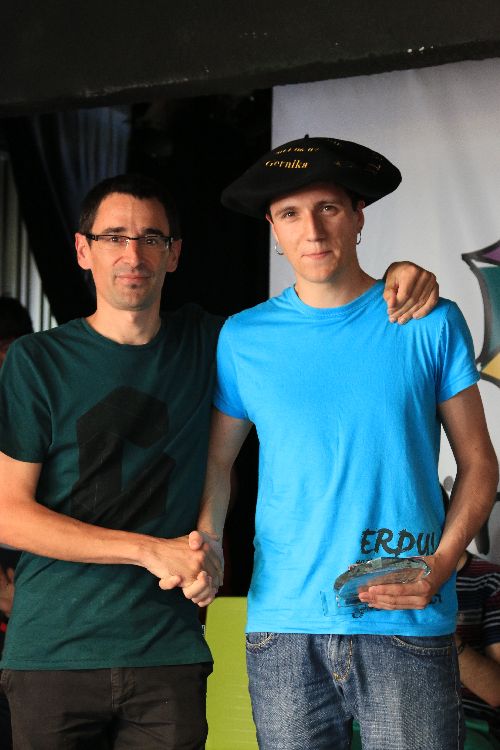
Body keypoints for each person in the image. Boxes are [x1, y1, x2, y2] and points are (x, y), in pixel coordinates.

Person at [0, 171, 439, 750]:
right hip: (52, 652)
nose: (133, 255)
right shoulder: (37, 360)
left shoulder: (219, 341)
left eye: (151, 238)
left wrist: (400, 275)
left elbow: (312, 318)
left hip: (167, 649)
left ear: (174, 253)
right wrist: (146, 549)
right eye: (113, 237)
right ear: (83, 250)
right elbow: (8, 514)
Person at [189, 136, 499, 750]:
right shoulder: (243, 337)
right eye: (290, 213)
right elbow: (219, 461)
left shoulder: (427, 320)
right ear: (274, 230)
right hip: (283, 624)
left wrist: (440, 566)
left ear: (358, 216)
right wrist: (211, 542)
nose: (311, 230)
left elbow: (478, 462)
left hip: (404, 618)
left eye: (328, 207)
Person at [456, 550, 500, 746]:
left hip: (466, 721)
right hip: (382, 717)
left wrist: (438, 628)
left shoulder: (491, 581)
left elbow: (496, 692)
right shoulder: (381, 577)